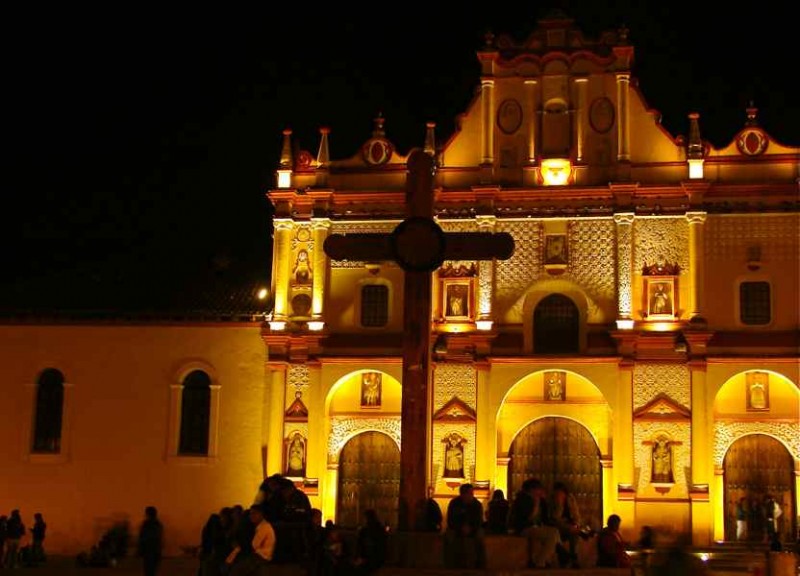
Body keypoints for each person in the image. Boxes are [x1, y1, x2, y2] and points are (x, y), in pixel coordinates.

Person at [508, 478, 560, 569]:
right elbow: (528, 519)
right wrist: (536, 504)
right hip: (524, 528)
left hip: (536, 527)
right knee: (553, 534)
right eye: (539, 489)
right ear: (532, 490)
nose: (540, 491)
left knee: (555, 532)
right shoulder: (522, 500)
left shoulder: (541, 501)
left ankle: (552, 559)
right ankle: (540, 562)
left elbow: (545, 519)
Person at [444, 483, 485, 569]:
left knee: (480, 536)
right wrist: (460, 527)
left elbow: (479, 521)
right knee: (449, 536)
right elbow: (450, 520)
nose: (471, 496)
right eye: (469, 493)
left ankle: (480, 564)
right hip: (457, 529)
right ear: (463, 494)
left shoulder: (477, 504)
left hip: (473, 529)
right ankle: (450, 563)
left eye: (472, 493)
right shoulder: (454, 503)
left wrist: (471, 528)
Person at [547, 481, 583, 568]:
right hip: (556, 526)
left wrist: (576, 524)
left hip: (568, 527)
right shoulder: (551, 501)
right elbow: (554, 518)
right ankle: (567, 558)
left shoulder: (570, 499)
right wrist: (559, 505)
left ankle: (574, 558)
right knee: (570, 531)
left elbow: (576, 514)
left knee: (575, 534)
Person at [353, 509, 387, 575]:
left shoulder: (365, 531)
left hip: (371, 560)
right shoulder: (379, 530)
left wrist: (361, 558)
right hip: (374, 559)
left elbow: (361, 546)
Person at [137, 506, 163, 576]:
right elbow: (159, 538)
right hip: (155, 551)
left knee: (148, 571)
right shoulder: (158, 524)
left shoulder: (146, 524)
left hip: (148, 551)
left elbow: (142, 538)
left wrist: (140, 550)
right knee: (152, 571)